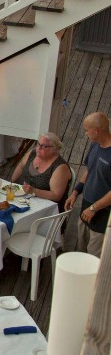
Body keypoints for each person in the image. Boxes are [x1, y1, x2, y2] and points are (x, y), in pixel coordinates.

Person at [65, 111, 111, 258]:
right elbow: (89, 170)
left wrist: (94, 208)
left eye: (86, 130)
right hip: (86, 207)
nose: (85, 134)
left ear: (96, 131)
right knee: (80, 249)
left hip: (102, 214)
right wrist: (75, 193)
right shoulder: (95, 146)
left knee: (94, 257)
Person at [11, 132, 71, 210]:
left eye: (44, 146)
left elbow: (56, 195)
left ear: (54, 149)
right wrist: (11, 183)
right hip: (22, 199)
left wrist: (34, 191)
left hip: (45, 208)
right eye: (38, 144)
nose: (39, 148)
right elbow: (21, 166)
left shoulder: (60, 167)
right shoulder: (33, 153)